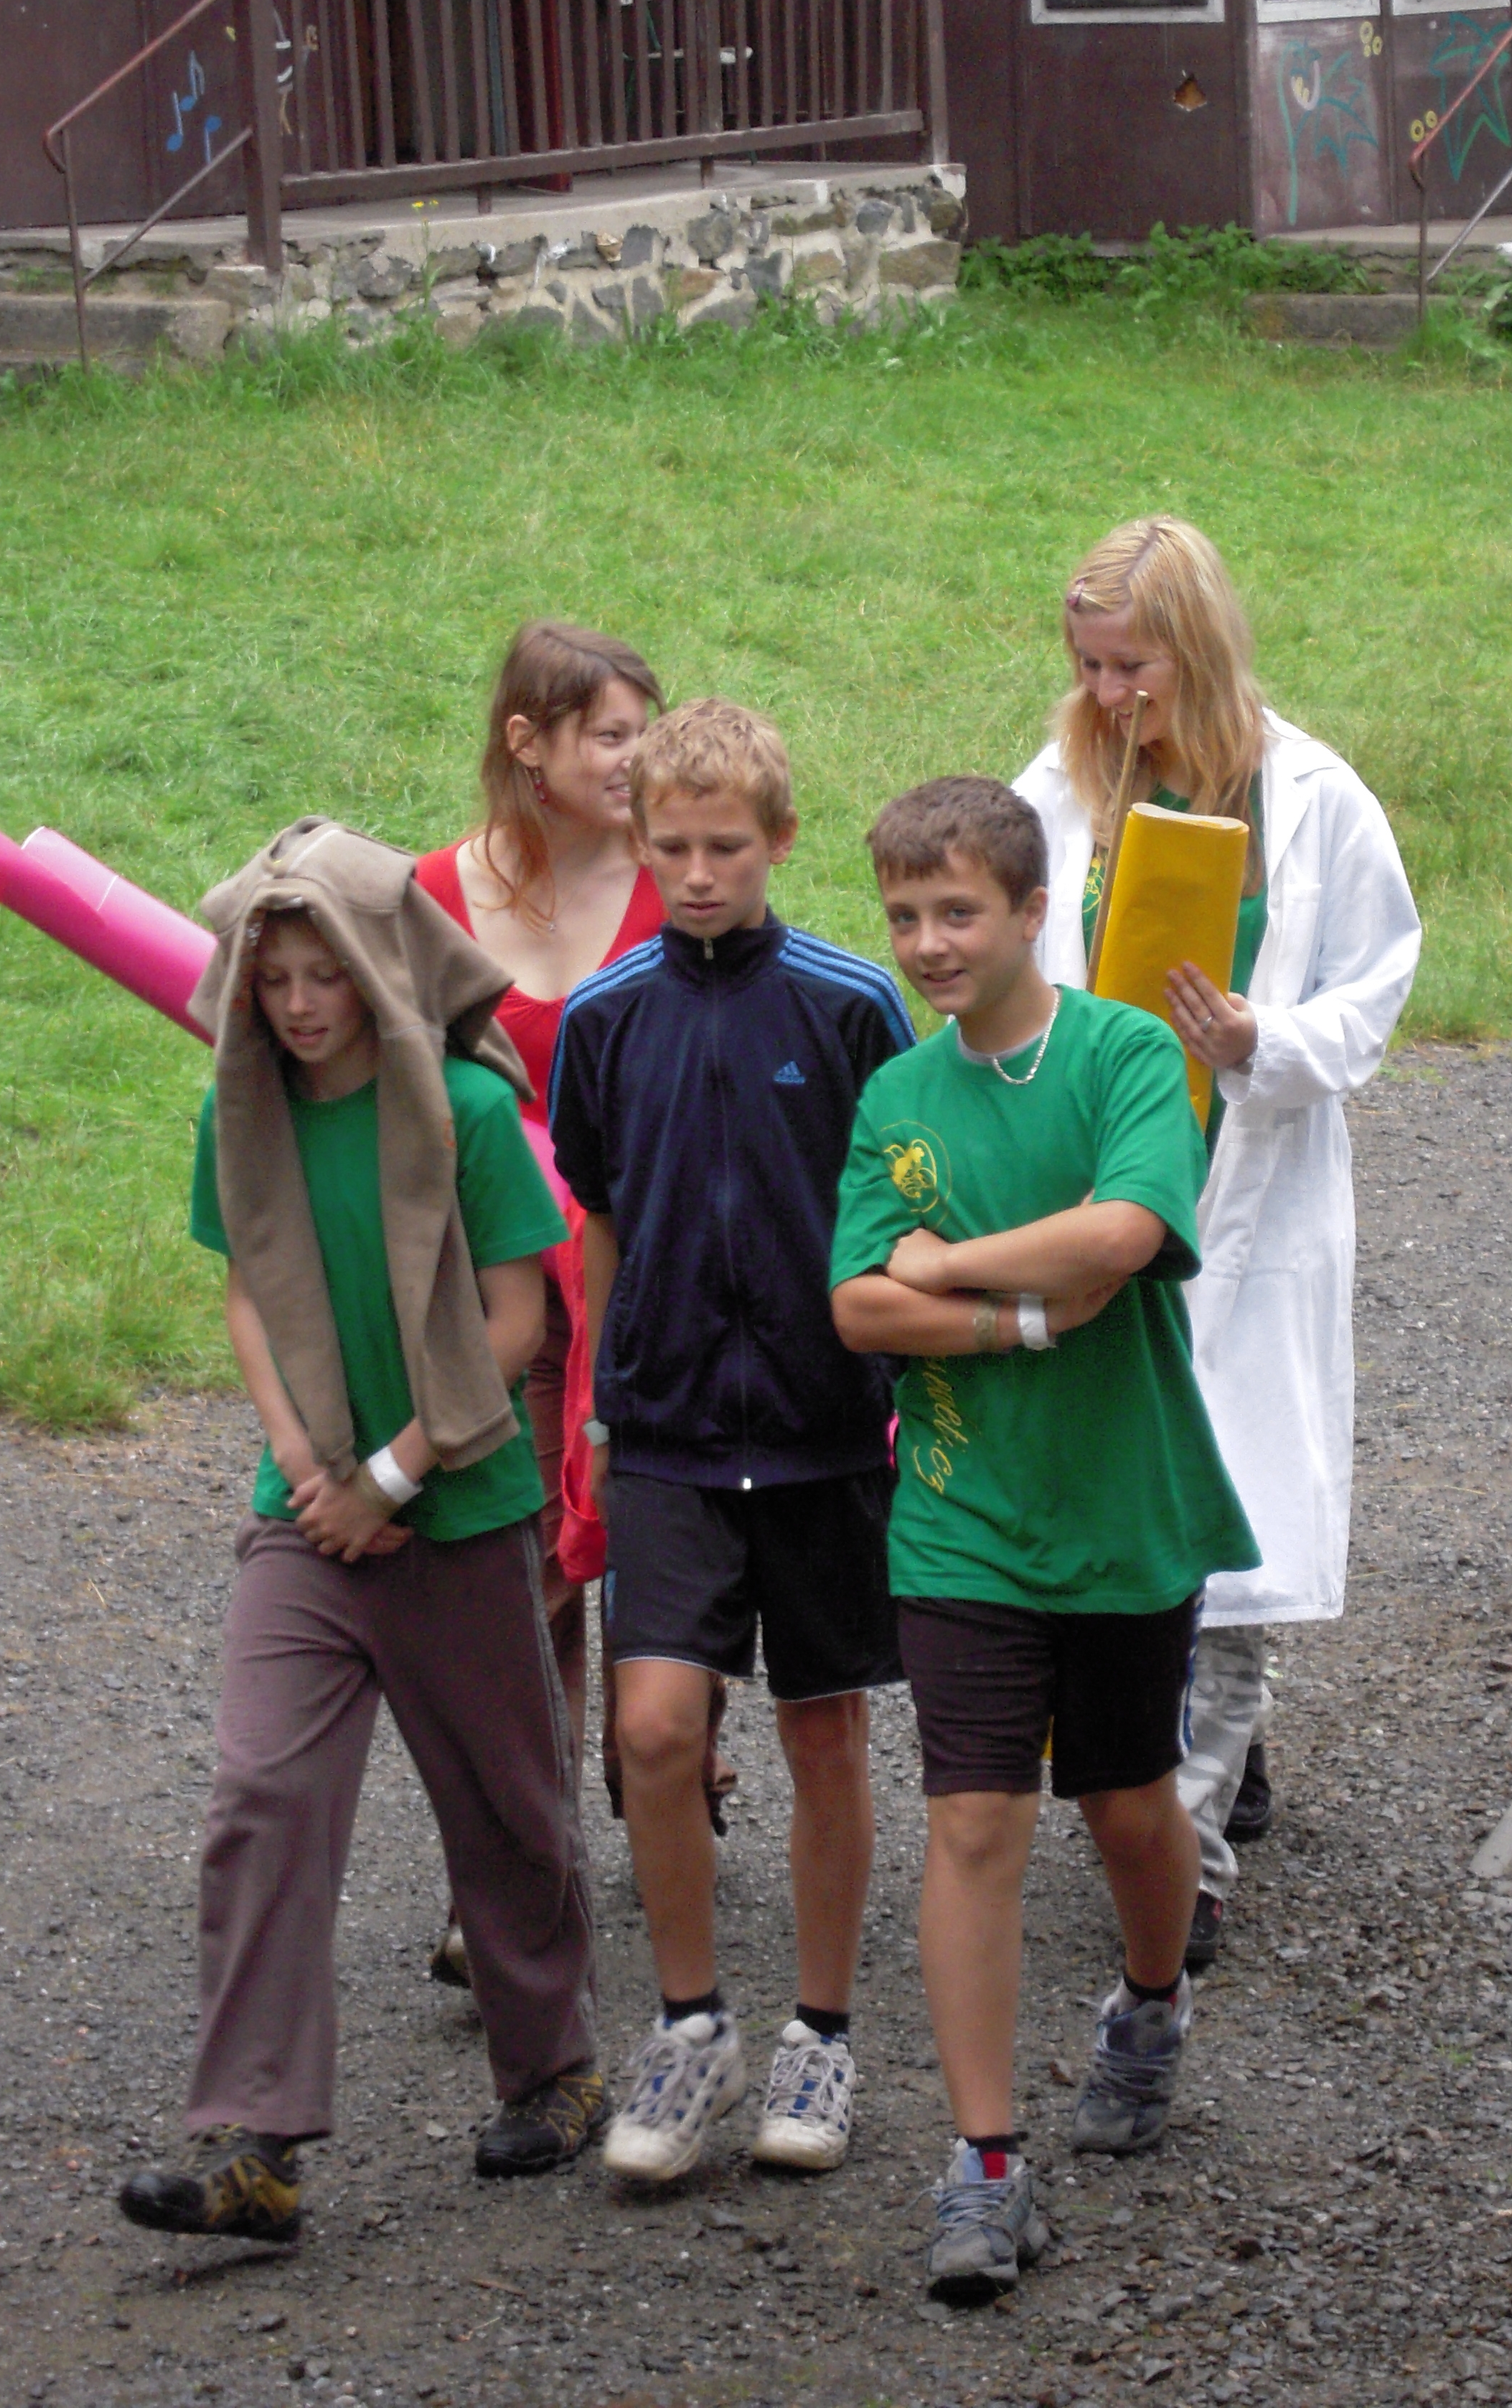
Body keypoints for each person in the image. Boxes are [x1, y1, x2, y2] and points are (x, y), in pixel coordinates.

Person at [117, 820, 600, 2246]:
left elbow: (516, 1319)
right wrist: (302, 1463)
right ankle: (253, 2143)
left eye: (324, 975)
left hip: (455, 1509)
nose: (298, 1005)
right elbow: (250, 1293)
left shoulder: (461, 1108)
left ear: (381, 970)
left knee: (505, 1807)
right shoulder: (243, 1113)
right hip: (309, 1521)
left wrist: (390, 1475)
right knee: (259, 1792)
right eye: (272, 980)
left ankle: (556, 2070)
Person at [830, 775, 1259, 2300]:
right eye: (904, 916)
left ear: (1030, 912)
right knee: (973, 1822)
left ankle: (1149, 1999)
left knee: (1130, 1808)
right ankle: (985, 2166)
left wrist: (943, 1263)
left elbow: (1124, 1232)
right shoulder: (896, 1095)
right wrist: (1018, 1315)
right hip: (961, 1519)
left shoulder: (1127, 1052)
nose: (928, 943)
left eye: (957, 911)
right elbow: (856, 1304)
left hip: (1126, 1509)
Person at [1012, 515, 1419, 1970]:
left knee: (1232, 1527)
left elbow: (1375, 983)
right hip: (1105, 1192)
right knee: (1114, 1515)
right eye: (1089, 667)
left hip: (1249, 1195)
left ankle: (1189, 1850)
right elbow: (1004, 956)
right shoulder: (1060, 791)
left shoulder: (1313, 802)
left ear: (1199, 649)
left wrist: (1265, 1039)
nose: (1110, 695)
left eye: (1135, 667)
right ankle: (1192, 1763)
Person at [549, 697, 912, 2182]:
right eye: (672, 847)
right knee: (652, 1727)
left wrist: (897, 1387)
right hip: (668, 1427)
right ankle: (689, 2025)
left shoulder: (853, 1004)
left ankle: (819, 2035)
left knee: (824, 1730)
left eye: (726, 848)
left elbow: (902, 1205)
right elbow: (599, 1218)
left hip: (826, 1433)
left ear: (780, 841)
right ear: (638, 840)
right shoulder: (604, 1017)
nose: (697, 875)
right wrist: (595, 1402)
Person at [415, 624, 715, 1990]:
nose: (637, 761)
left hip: (662, 1297)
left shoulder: (684, 878)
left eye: (644, 733)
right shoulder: (429, 896)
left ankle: (670, 1776)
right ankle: (517, 1882)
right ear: (526, 742)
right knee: (520, 1578)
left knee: (668, 1559)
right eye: (610, 735)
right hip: (503, 1303)